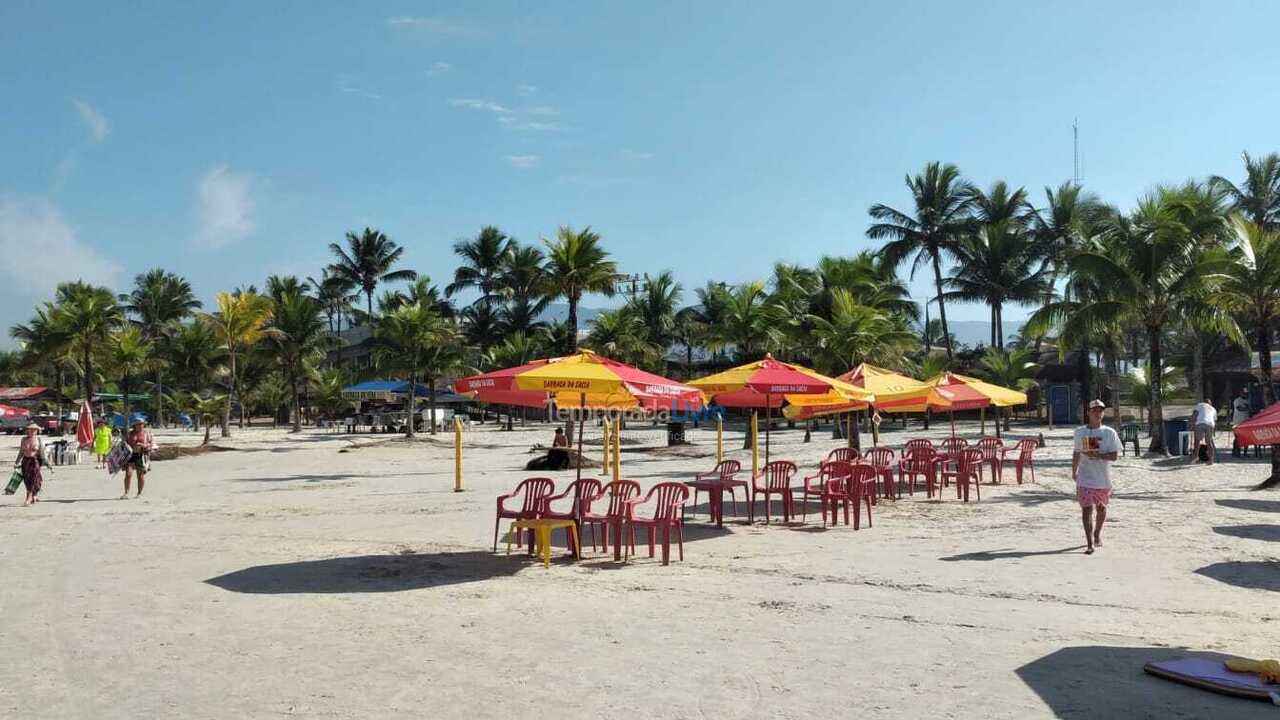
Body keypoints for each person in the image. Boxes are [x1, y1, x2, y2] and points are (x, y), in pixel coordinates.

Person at [1072, 399, 1120, 555]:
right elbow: (1077, 452)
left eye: (1100, 411)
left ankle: (1097, 533)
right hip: (1085, 478)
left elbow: (1114, 456)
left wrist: (1099, 455)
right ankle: (1089, 543)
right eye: (1094, 410)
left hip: (1102, 479)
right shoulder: (1081, 432)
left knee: (1101, 509)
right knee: (1086, 510)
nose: (1097, 413)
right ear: (1088, 413)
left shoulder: (1109, 432)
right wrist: (1074, 470)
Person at [13, 423, 49, 506]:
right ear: (27, 430)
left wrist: (47, 463)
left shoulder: (39, 440)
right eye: (31, 429)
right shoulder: (23, 439)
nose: (32, 431)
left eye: (34, 430)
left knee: (34, 479)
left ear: (37, 431)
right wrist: (17, 462)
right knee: (27, 480)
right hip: (25, 461)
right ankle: (34, 496)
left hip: (35, 461)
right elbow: (21, 452)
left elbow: (43, 453)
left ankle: (28, 498)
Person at [122, 419, 154, 499]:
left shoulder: (147, 434)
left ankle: (139, 493)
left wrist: (143, 445)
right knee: (128, 474)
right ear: (134, 426)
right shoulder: (130, 434)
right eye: (138, 424)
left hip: (141, 455)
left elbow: (151, 444)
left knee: (140, 475)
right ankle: (126, 493)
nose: (140, 426)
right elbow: (124, 443)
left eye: (141, 424)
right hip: (130, 455)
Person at [1189, 398, 1217, 464]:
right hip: (1210, 424)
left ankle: (1196, 457)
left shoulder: (1200, 405)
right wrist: (1214, 431)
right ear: (1210, 403)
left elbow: (1195, 414)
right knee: (1209, 442)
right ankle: (1211, 460)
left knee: (1197, 440)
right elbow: (1215, 421)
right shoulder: (1213, 409)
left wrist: (1191, 424)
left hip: (1200, 422)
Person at [1232, 388, 1252, 457]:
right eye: (1243, 393)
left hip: (1246, 421)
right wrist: (1249, 408)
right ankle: (1236, 452)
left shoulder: (1249, 400)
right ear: (1240, 393)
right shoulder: (1237, 400)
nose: (1245, 394)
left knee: (1247, 437)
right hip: (1237, 421)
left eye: (1246, 393)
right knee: (1237, 438)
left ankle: (1245, 453)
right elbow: (1239, 409)